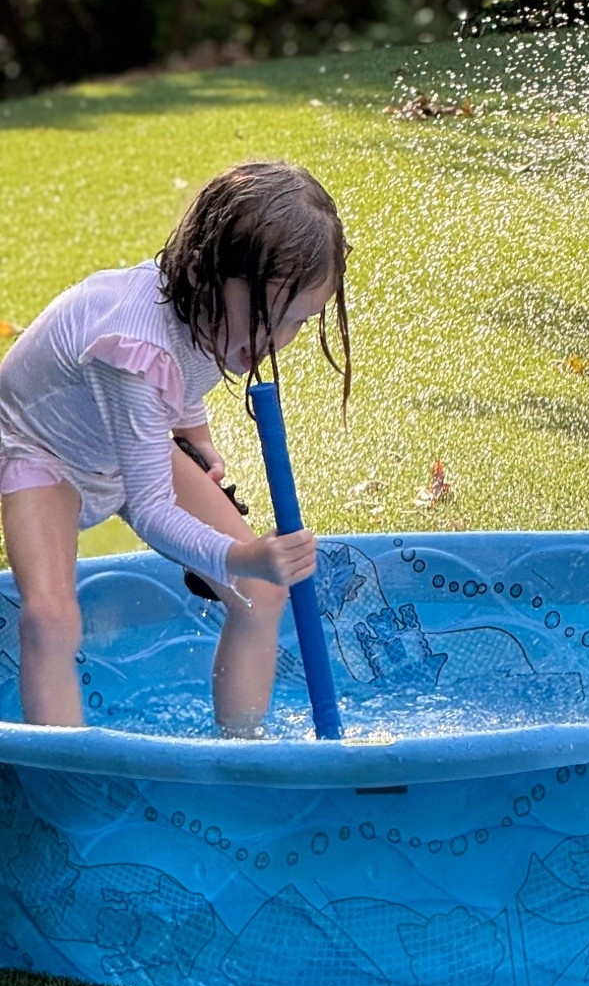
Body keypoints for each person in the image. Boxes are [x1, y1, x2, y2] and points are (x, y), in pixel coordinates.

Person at [0, 160, 350, 735]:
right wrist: (243, 556)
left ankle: (242, 753)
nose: (277, 340)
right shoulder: (133, 348)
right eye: (268, 316)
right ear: (205, 273)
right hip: (42, 451)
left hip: (121, 441)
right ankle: (67, 778)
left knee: (261, 593)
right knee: (51, 620)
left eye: (298, 322)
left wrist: (195, 434)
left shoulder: (206, 314)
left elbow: (181, 372)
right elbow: (153, 511)